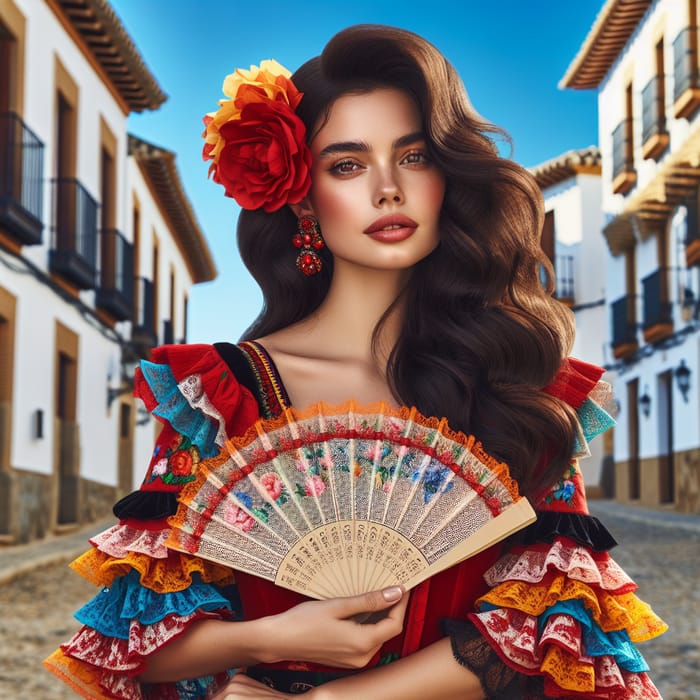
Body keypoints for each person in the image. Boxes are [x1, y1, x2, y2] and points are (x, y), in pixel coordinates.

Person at [45, 24, 666, 700]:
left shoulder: (524, 387)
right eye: (347, 164)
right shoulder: (220, 400)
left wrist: (336, 698)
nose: (388, 189)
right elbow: (132, 640)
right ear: (305, 196)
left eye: (415, 157)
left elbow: (559, 622)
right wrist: (272, 638)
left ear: (447, 178)